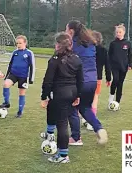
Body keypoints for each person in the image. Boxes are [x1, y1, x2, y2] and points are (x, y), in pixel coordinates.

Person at [41, 32, 83, 163]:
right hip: (72, 92)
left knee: (62, 123)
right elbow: (80, 80)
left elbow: (48, 80)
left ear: (59, 45)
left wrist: (44, 96)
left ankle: (63, 155)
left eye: (57, 43)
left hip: (60, 93)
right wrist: (78, 95)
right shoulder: (76, 58)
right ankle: (50, 134)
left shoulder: (55, 60)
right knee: (56, 113)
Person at [65, 20, 108, 145]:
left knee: (72, 108)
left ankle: (76, 138)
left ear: (71, 31)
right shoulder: (90, 43)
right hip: (92, 81)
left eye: (66, 29)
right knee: (85, 108)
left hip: (79, 81)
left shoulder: (71, 44)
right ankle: (99, 128)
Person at [0, 35, 36, 118]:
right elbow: (10, 64)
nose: (18, 45)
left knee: (21, 93)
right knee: (6, 84)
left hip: (23, 76)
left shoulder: (29, 53)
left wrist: (31, 78)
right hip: (13, 74)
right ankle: (6, 102)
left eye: (20, 43)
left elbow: (32, 66)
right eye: (17, 43)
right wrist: (6, 76)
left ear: (25, 43)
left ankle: (20, 111)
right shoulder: (15, 52)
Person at [108, 24, 132, 105]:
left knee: (120, 83)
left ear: (124, 32)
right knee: (115, 79)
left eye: (120, 32)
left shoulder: (127, 43)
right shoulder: (113, 43)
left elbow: (130, 54)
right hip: (114, 66)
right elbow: (109, 55)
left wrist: (130, 64)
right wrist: (109, 64)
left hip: (124, 66)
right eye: (117, 32)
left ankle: (117, 102)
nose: (118, 33)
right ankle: (111, 97)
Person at [92, 30, 112, 114]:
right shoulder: (103, 50)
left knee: (83, 97)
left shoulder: (87, 49)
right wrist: (108, 78)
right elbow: (107, 65)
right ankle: (92, 117)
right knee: (95, 97)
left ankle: (82, 118)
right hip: (97, 77)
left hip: (86, 77)